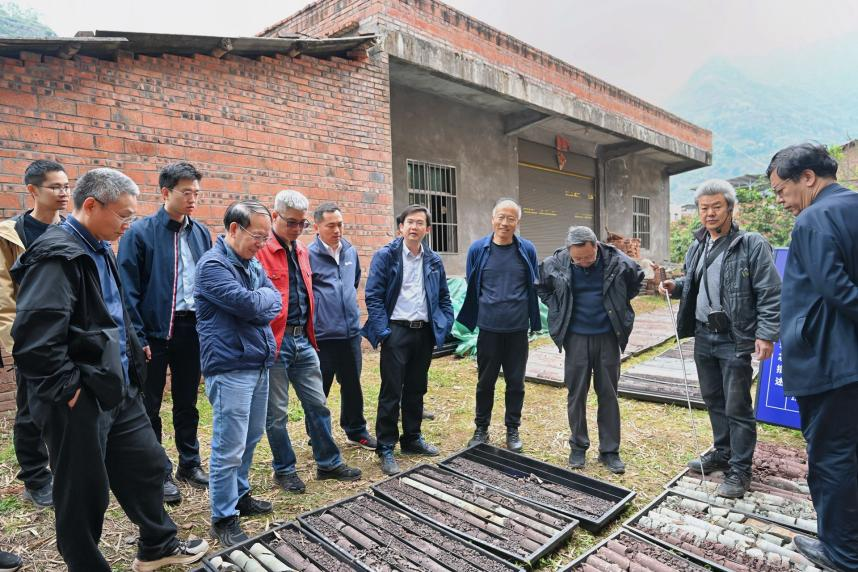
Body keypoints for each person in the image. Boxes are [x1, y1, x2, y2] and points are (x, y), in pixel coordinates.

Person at [11, 168, 207, 571]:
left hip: (117, 386)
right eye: (123, 215)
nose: (127, 224)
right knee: (84, 491)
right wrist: (70, 391)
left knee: (147, 465)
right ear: (91, 205)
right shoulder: (57, 255)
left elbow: (115, 314)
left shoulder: (99, 247)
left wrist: (133, 356)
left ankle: (158, 545)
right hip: (80, 397)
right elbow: (35, 339)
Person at [659, 179, 780, 498]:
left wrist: (766, 334)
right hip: (703, 334)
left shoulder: (751, 244)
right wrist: (676, 286)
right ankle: (722, 452)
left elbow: (769, 292)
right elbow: (695, 281)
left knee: (737, 405)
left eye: (716, 207)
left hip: (734, 337)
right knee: (713, 398)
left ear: (730, 208)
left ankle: (740, 470)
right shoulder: (697, 245)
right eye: (704, 208)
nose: (709, 213)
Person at [768, 143, 858, 572]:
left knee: (831, 456)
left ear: (807, 177)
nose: (781, 201)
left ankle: (841, 553)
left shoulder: (813, 218)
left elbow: (836, 289)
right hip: (850, 358)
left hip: (828, 360)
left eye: (781, 190)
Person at [118, 162, 213, 505]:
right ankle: (157, 473)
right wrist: (138, 338)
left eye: (196, 193)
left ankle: (190, 463)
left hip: (192, 329)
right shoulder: (139, 233)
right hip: (154, 333)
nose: (193, 199)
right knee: (150, 404)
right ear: (165, 192)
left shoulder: (201, 233)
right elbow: (126, 291)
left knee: (187, 401)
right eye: (186, 192)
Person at [258, 191, 361, 494]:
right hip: (276, 343)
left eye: (301, 223)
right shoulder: (261, 252)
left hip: (303, 340)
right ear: (274, 216)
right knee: (277, 413)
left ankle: (328, 463)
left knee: (318, 404)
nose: (296, 229)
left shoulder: (302, 251)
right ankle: (284, 469)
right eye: (291, 222)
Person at [195, 200, 282, 547]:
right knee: (228, 445)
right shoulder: (212, 266)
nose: (262, 244)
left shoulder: (251, 262)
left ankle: (240, 494)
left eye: (265, 237)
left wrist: (260, 300)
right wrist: (260, 300)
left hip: (257, 362)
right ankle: (223, 516)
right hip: (230, 366)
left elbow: (274, 302)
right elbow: (249, 305)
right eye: (257, 236)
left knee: (251, 436)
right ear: (234, 229)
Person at [538, 226, 643, 474]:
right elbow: (541, 286)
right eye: (578, 259)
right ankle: (578, 446)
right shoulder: (555, 263)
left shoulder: (617, 261)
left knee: (608, 393)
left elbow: (637, 279)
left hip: (607, 336)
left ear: (596, 246)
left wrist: (619, 301)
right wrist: (557, 305)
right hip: (575, 338)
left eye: (588, 257)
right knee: (576, 394)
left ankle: (610, 451)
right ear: (569, 252)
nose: (584, 262)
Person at [363, 204, 454, 475]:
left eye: (419, 223)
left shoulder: (433, 260)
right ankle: (386, 446)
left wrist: (443, 324)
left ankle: (412, 438)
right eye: (409, 222)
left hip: (423, 332)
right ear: (400, 227)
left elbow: (444, 297)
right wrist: (383, 332)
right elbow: (373, 296)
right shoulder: (386, 256)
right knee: (391, 390)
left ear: (428, 229)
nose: (414, 227)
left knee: (416, 388)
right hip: (396, 331)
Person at [0, 159, 68, 508]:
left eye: (66, 186)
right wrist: (18, 343)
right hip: (31, 339)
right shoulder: (12, 235)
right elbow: (3, 297)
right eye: (55, 187)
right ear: (32, 190)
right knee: (30, 412)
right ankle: (36, 478)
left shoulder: (71, 230)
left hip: (68, 336)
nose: (64, 193)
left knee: (67, 409)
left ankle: (65, 471)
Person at [457, 198, 540, 453]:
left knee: (516, 382)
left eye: (511, 219)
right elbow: (472, 282)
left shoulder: (527, 249)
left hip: (517, 328)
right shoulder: (478, 249)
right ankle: (481, 428)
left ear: (517, 222)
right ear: (493, 219)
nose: (505, 223)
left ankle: (512, 429)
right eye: (501, 217)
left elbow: (533, 283)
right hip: (489, 328)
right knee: (485, 382)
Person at [308, 202, 376, 449]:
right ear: (317, 227)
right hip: (322, 336)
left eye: (340, 224)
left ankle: (356, 430)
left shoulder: (350, 251)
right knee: (319, 389)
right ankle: (317, 434)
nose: (337, 230)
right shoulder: (308, 255)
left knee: (352, 385)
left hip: (350, 333)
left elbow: (353, 283)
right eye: (330, 226)